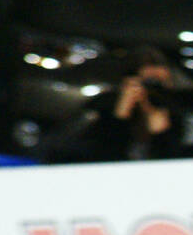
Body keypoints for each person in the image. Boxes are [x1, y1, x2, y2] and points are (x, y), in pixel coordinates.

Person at [43, 45, 180, 163]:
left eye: (156, 83)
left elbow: (178, 153)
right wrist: (120, 113)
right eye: (145, 83)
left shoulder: (176, 106)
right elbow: (95, 149)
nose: (150, 90)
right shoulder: (105, 104)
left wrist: (160, 131)